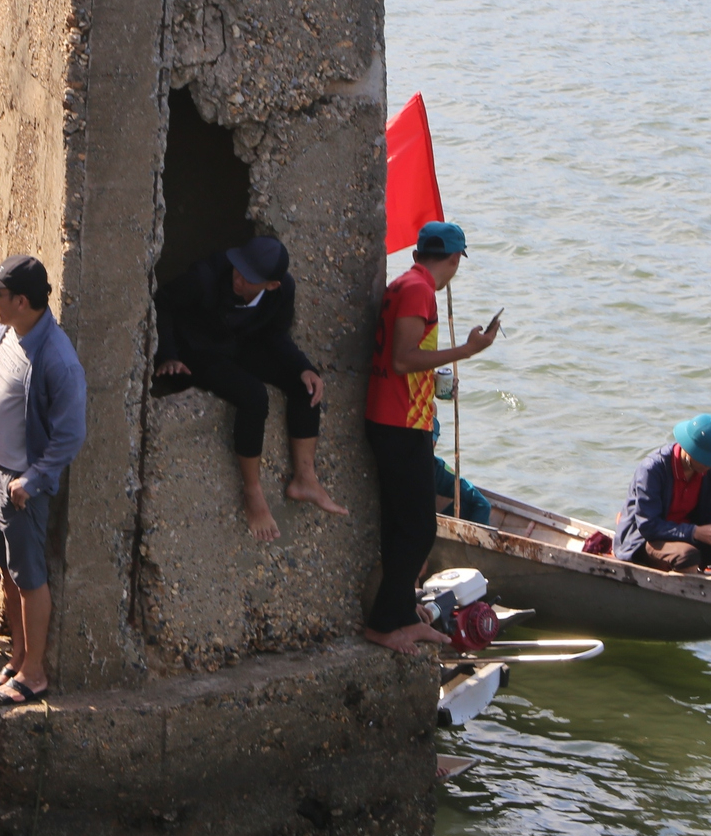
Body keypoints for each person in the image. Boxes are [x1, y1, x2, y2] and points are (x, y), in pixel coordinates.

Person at [363, 221, 499, 655]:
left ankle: (403, 613)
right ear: (455, 259)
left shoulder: (408, 282)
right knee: (419, 530)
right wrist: (467, 351)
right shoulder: (419, 290)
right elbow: (403, 359)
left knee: (401, 525)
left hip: (400, 417)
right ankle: (385, 624)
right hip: (400, 423)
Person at [153, 236, 344, 543]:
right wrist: (168, 355)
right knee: (253, 396)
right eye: (238, 269)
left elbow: (276, 335)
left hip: (239, 345)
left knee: (306, 386)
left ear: (271, 286)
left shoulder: (282, 292)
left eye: (249, 277)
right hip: (196, 352)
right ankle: (253, 492)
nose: (238, 278)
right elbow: (162, 303)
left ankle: (305, 478)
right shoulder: (205, 277)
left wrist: (304, 367)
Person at [0, 255, 85, 707]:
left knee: (31, 576)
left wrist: (32, 480)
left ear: (21, 301)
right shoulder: (7, 334)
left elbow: (71, 434)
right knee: (8, 571)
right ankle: (17, 657)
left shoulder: (57, 359)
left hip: (20, 488)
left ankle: (34, 672)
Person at [613, 415, 711, 581]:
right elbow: (648, 525)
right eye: (706, 460)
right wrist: (694, 532)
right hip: (646, 541)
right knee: (688, 556)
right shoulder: (652, 469)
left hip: (691, 537)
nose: (709, 466)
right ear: (690, 450)